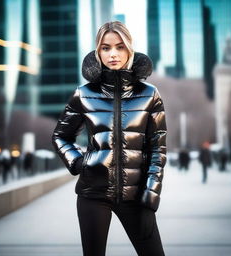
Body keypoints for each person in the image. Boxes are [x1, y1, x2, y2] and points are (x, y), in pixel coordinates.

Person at [52, 21, 167, 256]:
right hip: (93, 194)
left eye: (119, 47)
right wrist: (79, 162)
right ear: (97, 51)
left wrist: (151, 196)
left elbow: (158, 150)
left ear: (129, 49)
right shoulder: (84, 94)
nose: (113, 54)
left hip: (136, 196)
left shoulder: (149, 94)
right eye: (105, 48)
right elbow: (61, 136)